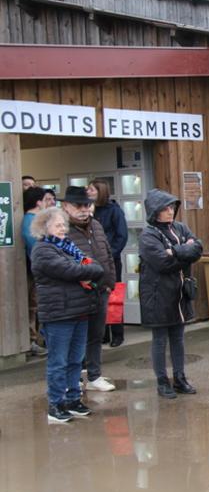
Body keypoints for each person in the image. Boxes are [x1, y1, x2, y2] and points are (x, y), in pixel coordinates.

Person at [30, 206, 105, 423]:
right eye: (57, 225)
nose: (63, 228)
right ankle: (56, 404)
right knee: (58, 362)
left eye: (64, 224)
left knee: (75, 361)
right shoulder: (43, 250)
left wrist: (88, 270)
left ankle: (73, 400)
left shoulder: (68, 248)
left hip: (79, 311)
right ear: (45, 228)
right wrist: (88, 270)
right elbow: (73, 271)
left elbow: (93, 265)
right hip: (58, 314)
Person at [139, 188, 203, 399]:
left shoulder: (180, 227)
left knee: (178, 338)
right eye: (165, 208)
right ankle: (162, 381)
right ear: (155, 211)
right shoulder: (148, 235)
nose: (170, 211)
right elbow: (162, 263)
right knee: (160, 340)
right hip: (158, 295)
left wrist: (174, 251)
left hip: (179, 294)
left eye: (172, 207)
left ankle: (180, 378)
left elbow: (198, 248)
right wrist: (185, 252)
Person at [61, 186, 117, 393]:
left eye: (87, 205)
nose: (84, 209)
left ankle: (94, 376)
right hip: (76, 292)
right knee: (74, 339)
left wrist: (110, 282)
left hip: (100, 290)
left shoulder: (96, 225)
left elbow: (108, 254)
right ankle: (73, 379)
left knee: (96, 335)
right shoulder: (61, 229)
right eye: (79, 205)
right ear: (66, 206)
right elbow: (61, 262)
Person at [87, 178, 129, 347]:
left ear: (100, 191)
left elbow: (122, 236)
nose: (88, 192)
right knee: (96, 295)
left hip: (111, 261)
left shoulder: (114, 210)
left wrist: (109, 255)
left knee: (114, 296)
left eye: (91, 189)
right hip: (92, 262)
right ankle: (102, 333)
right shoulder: (88, 210)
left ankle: (117, 333)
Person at [22, 187, 56, 357]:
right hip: (42, 272)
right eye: (45, 200)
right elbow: (38, 249)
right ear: (38, 202)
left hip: (41, 271)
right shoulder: (31, 222)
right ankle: (36, 340)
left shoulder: (31, 220)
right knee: (37, 307)